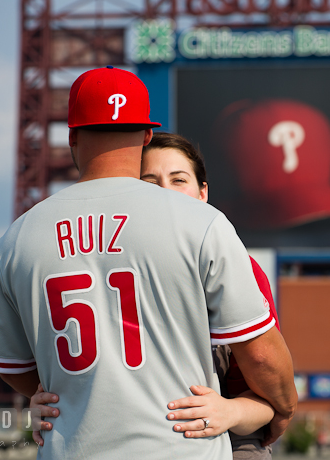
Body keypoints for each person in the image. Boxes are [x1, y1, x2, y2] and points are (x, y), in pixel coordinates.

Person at [0, 66, 297, 460]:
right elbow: (261, 355)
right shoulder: (199, 221)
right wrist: (284, 405)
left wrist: (57, 391)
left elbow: (7, 362)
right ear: (146, 135)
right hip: (181, 447)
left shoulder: (18, 238)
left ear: (73, 135)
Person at [31, 132, 284, 460]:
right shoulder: (94, 267)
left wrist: (234, 411)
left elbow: (265, 381)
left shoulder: (237, 266)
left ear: (203, 192)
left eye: (179, 179)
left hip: (222, 438)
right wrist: (48, 400)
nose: (165, 192)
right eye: (149, 181)